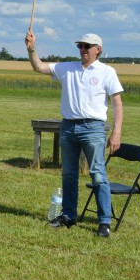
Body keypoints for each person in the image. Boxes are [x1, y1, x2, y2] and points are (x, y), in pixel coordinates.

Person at [25, 29, 123, 237]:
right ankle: (69, 215)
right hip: (68, 126)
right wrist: (32, 49)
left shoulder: (107, 72)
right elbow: (38, 67)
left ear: (98, 50)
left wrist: (116, 132)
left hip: (93, 128)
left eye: (87, 46)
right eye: (80, 46)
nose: (83, 49)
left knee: (97, 174)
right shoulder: (67, 68)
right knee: (69, 174)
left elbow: (117, 103)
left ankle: (104, 222)